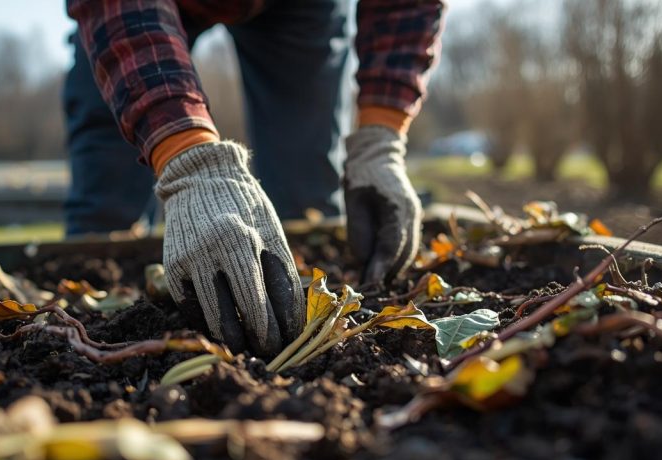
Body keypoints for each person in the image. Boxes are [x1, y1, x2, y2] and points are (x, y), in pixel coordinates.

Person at [65, 0, 446, 357]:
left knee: (307, 199)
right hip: (133, 13)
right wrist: (185, 157)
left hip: (297, 9)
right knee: (106, 211)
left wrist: (381, 136)